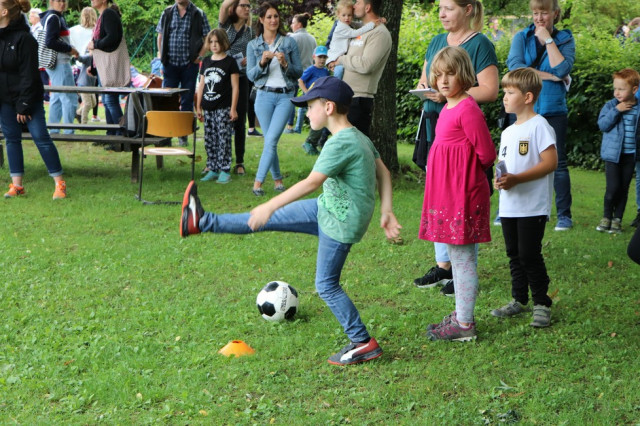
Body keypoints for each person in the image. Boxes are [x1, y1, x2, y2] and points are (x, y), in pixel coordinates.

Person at [179, 76, 402, 365]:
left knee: (326, 285)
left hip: (340, 223)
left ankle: (363, 342)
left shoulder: (342, 144)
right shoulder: (357, 136)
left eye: (310, 107)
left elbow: (311, 182)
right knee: (262, 221)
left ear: (329, 107)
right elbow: (383, 173)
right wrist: (386, 210)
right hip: (326, 209)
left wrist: (269, 205)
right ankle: (200, 221)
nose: (306, 113)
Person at [412, 0, 499, 296]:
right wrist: (428, 88)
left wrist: (451, 95)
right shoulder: (437, 41)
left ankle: (459, 274)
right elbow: (428, 76)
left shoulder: (480, 44)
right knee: (440, 194)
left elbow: (489, 89)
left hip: (461, 134)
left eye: (448, 7)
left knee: (459, 198)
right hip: (436, 126)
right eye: (440, 8)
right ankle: (443, 267)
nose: (442, 13)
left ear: (469, 9)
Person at [420, 47, 496, 341]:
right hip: (449, 193)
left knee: (463, 260)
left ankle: (464, 325)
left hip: (462, 194)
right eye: (439, 75)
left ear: (464, 74)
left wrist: (462, 179)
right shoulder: (449, 107)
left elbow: (486, 153)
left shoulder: (467, 108)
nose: (443, 80)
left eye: (450, 73)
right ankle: (462, 313)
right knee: (459, 257)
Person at [491, 68, 557, 328]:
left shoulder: (540, 125)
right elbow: (503, 164)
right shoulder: (507, 132)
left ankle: (542, 303)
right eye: (504, 92)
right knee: (514, 254)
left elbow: (550, 162)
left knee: (530, 254)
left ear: (528, 97)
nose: (504, 97)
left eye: (510, 92)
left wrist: (518, 179)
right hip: (509, 206)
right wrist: (501, 179)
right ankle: (518, 300)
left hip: (533, 206)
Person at [507, 0, 575, 231]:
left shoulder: (564, 38)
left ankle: (564, 215)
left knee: (559, 163)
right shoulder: (521, 37)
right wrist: (552, 77)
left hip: (553, 108)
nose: (538, 18)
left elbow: (563, 69)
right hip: (523, 109)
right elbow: (515, 69)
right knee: (516, 158)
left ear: (555, 14)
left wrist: (547, 39)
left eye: (544, 13)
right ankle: (506, 209)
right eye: (535, 13)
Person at [1, 0, 67, 199]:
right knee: (11, 139)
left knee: (41, 138)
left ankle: (59, 183)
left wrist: (24, 105)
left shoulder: (26, 39)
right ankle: (17, 185)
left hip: (29, 99)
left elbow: (29, 75)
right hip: (4, 100)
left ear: (4, 12)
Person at [246, 2, 302, 196]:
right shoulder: (253, 45)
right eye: (269, 17)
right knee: (270, 141)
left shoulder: (289, 42)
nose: (273, 20)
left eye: (276, 16)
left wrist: (286, 64)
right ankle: (277, 180)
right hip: (263, 96)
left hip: (285, 96)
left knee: (270, 140)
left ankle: (258, 183)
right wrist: (262, 62)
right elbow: (250, 75)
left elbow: (298, 72)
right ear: (261, 20)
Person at [329, 0, 391, 137]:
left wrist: (341, 60)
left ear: (367, 7)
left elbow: (366, 65)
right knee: (342, 144)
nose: (354, 5)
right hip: (346, 95)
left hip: (359, 98)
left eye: (357, 2)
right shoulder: (357, 29)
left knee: (354, 146)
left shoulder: (379, 33)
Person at [157, 0, 210, 146]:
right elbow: (160, 36)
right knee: (168, 101)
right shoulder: (167, 12)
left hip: (189, 65)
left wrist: (199, 57)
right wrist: (161, 56)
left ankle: (183, 135)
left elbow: (207, 39)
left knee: (187, 100)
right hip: (170, 64)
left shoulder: (198, 14)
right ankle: (166, 136)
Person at [595, 68, 640, 234]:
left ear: (634, 90)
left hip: (630, 156)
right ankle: (606, 216)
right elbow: (603, 125)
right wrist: (617, 111)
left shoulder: (638, 108)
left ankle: (617, 220)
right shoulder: (611, 105)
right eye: (615, 88)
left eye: (621, 89)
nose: (617, 92)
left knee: (624, 188)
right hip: (612, 156)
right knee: (613, 188)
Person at [196, 29, 239, 184]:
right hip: (207, 107)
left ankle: (225, 170)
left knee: (223, 138)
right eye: (211, 42)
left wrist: (233, 108)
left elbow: (235, 87)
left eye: (217, 42)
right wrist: (198, 106)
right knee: (210, 138)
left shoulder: (230, 62)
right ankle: (212, 168)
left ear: (223, 43)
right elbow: (201, 85)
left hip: (223, 107)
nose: (214, 45)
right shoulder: (206, 61)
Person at [219, 0, 253, 175]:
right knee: (221, 119)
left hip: (241, 79)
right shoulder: (226, 25)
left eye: (248, 6)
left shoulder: (251, 31)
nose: (247, 9)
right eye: (243, 5)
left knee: (240, 120)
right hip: (223, 79)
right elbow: (224, 6)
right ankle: (218, 160)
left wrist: (250, 58)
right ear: (235, 8)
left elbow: (256, 51)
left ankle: (239, 161)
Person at [87, 0, 126, 136]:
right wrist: (92, 66)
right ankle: (111, 135)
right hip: (103, 66)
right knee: (107, 100)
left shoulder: (109, 14)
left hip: (110, 65)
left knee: (110, 100)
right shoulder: (103, 15)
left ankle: (123, 132)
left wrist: (95, 44)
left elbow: (113, 38)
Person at [40, 0, 79, 134]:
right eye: (58, 1)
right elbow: (50, 41)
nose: (62, 3)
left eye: (64, 1)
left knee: (57, 96)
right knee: (69, 97)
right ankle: (68, 131)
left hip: (54, 63)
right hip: (60, 62)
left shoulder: (52, 16)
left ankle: (54, 129)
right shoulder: (54, 18)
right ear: (51, 2)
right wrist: (70, 49)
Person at [326, 0, 378, 81]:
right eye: (344, 15)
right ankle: (336, 84)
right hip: (335, 57)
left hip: (340, 56)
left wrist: (368, 23)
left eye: (349, 15)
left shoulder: (345, 24)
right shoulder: (341, 27)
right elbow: (356, 33)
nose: (347, 18)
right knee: (339, 71)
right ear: (338, 15)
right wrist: (371, 24)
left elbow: (358, 24)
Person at [284, 12, 316, 134]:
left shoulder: (292, 38)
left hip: (295, 72)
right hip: (309, 73)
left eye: (293, 23)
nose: (291, 25)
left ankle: (290, 126)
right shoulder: (312, 39)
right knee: (306, 100)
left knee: (291, 98)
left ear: (299, 24)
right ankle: (300, 127)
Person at [299, 45, 329, 155]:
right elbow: (300, 81)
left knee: (322, 122)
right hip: (313, 99)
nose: (322, 60)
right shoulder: (311, 69)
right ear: (314, 57)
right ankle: (309, 143)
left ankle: (313, 144)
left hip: (322, 99)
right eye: (319, 57)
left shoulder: (325, 71)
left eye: (324, 57)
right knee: (318, 121)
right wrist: (307, 93)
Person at [71, 7, 97, 125]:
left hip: (80, 65)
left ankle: (79, 112)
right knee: (88, 101)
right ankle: (84, 122)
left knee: (92, 101)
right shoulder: (96, 30)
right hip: (88, 64)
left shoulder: (74, 30)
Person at [28, 7, 50, 102]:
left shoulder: (40, 29)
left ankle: (45, 96)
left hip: (40, 57)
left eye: (32, 15)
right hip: (32, 57)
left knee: (43, 77)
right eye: (30, 15)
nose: (30, 17)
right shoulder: (31, 28)